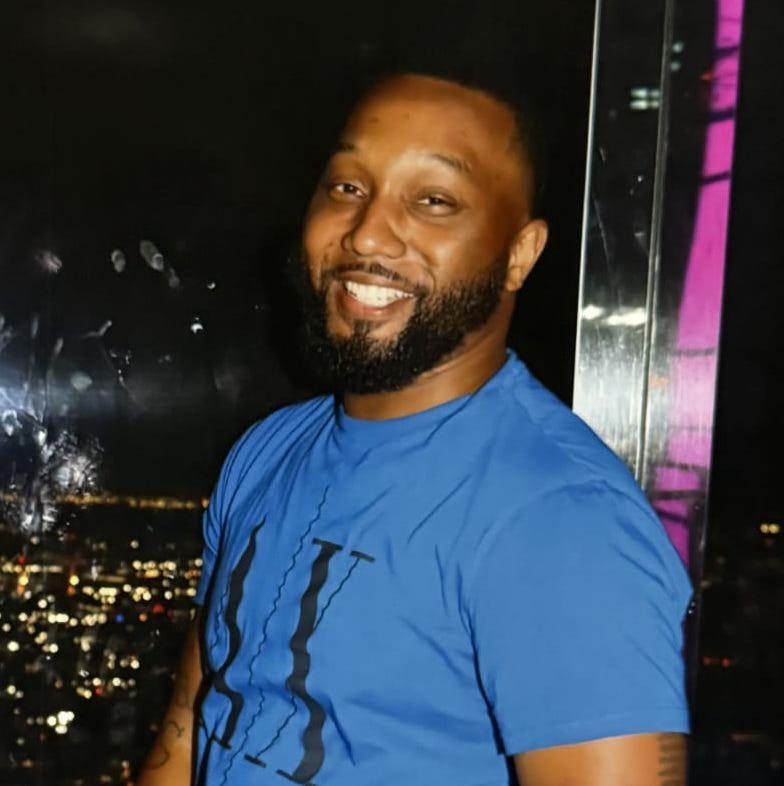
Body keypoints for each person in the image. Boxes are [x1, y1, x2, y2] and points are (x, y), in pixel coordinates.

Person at [137, 71, 692, 786]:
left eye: (433, 200)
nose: (367, 231)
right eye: (347, 187)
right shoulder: (267, 451)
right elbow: (194, 721)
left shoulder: (562, 518)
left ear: (519, 255)